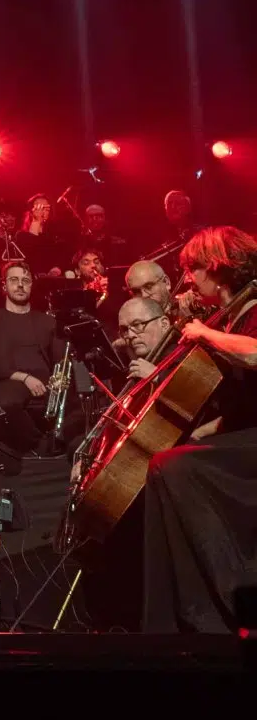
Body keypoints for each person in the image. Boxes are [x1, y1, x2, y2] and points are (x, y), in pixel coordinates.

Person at [142, 226, 257, 632]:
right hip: (246, 438)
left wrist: (205, 333)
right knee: (167, 464)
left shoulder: (254, 308)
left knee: (175, 468)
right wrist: (202, 432)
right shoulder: (233, 317)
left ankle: (227, 602)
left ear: (216, 267)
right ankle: (181, 616)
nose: (188, 278)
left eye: (192, 268)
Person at [0, 262, 60, 452]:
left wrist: (57, 382)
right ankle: (41, 445)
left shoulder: (47, 321)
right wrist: (24, 377)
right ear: (4, 286)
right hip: (7, 380)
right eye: (14, 280)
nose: (20, 285)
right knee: (4, 403)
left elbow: (61, 360)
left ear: (31, 286)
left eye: (26, 281)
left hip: (46, 382)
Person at [116, 297, 174, 384]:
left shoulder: (186, 355)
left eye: (137, 324)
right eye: (124, 330)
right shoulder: (139, 368)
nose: (130, 335)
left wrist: (157, 377)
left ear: (164, 324)